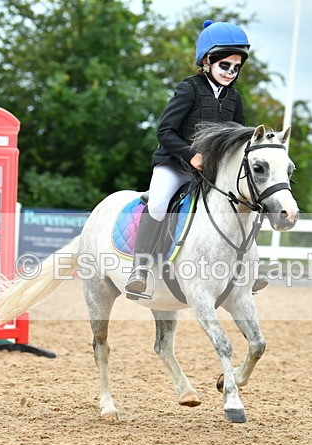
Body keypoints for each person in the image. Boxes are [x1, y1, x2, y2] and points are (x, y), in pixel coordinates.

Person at [125, 20, 257, 296]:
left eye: (236, 68)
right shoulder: (189, 89)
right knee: (159, 203)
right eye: (225, 66)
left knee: (242, 205)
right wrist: (191, 155)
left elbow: (239, 139)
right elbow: (165, 131)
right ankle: (140, 269)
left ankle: (247, 270)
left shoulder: (235, 98)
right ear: (207, 60)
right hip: (174, 164)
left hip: (210, 172)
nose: (231, 73)